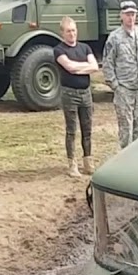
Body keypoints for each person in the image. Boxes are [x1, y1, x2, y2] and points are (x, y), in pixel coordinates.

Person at [101, 0, 138, 149]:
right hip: (124, 89)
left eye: (133, 14)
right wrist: (116, 86)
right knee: (126, 129)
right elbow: (107, 63)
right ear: (121, 16)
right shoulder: (115, 38)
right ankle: (125, 160)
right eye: (127, 14)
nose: (131, 18)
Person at [54, 16, 99, 178]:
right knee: (71, 130)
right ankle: (72, 164)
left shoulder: (85, 47)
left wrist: (78, 67)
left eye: (73, 30)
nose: (71, 34)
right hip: (69, 94)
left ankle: (88, 161)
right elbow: (69, 67)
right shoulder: (59, 50)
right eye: (68, 31)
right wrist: (83, 67)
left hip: (86, 93)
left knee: (87, 129)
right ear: (62, 33)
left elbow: (95, 67)